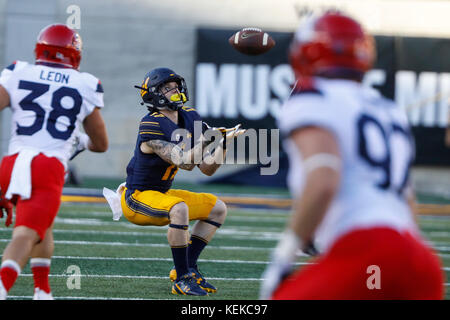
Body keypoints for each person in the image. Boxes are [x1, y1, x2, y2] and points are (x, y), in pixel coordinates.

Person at [260, 12, 444, 300]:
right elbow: (407, 200)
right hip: (419, 258)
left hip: (366, 251)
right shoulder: (387, 107)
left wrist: (284, 255)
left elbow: (323, 180)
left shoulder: (312, 97)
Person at [103, 67, 244, 296]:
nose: (175, 91)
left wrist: (223, 144)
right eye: (168, 88)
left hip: (162, 194)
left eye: (176, 87)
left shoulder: (190, 116)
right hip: (137, 197)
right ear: (155, 94)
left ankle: (189, 267)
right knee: (179, 209)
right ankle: (182, 278)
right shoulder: (151, 123)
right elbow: (184, 162)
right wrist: (207, 140)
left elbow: (207, 169)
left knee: (217, 209)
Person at [0, 23, 108, 300]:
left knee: (43, 227)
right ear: (75, 54)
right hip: (47, 168)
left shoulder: (18, 70)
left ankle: (42, 291)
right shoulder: (85, 83)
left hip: (12, 163)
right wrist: (79, 140)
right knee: (25, 235)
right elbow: (101, 144)